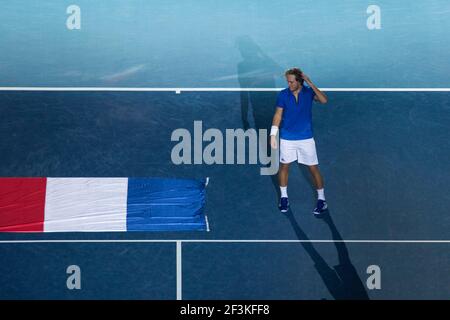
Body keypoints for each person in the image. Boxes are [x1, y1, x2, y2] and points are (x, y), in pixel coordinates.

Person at [270, 68, 328, 214]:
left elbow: (324, 100)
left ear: (299, 81)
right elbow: (278, 115)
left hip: (306, 139)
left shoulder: (309, 93)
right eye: (287, 82)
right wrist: (273, 134)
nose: (289, 84)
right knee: (284, 167)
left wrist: (310, 82)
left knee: (313, 169)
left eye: (291, 81)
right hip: (287, 138)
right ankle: (284, 197)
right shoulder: (283, 94)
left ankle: (322, 199)